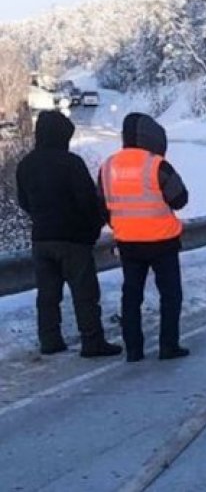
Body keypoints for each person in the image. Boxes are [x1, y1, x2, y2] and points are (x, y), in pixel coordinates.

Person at [16, 111, 122, 358]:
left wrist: (41, 218)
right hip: (73, 239)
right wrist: (93, 228)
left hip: (41, 238)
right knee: (84, 294)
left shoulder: (26, 165)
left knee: (47, 295)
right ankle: (92, 341)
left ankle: (50, 339)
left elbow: (23, 201)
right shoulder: (71, 163)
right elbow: (88, 201)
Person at [98, 113, 189, 361]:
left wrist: (120, 224)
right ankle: (168, 346)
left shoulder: (108, 167)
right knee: (170, 295)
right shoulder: (157, 165)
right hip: (162, 241)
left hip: (128, 243)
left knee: (131, 296)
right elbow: (180, 198)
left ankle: (134, 350)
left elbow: (102, 205)